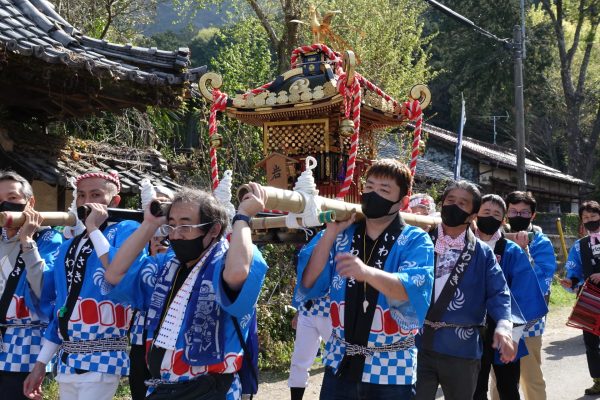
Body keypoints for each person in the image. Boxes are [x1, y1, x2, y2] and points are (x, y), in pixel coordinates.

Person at [101, 184, 268, 399]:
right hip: (162, 387)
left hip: (210, 389)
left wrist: (243, 217)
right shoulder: (165, 267)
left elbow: (237, 274)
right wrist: (150, 225)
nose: (176, 235)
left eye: (185, 226)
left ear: (214, 230)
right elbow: (114, 274)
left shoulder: (226, 261)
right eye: (171, 226)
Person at [296, 158, 434, 399]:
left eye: (384, 190)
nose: (373, 194)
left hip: (391, 367)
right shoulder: (342, 233)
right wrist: (329, 235)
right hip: (340, 360)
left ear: (401, 202)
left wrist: (366, 273)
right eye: (369, 187)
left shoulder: (415, 240)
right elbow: (308, 281)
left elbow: (411, 289)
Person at [23, 170, 142, 400]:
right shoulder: (70, 245)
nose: (87, 202)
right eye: (81, 195)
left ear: (114, 200)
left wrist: (94, 229)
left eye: (96, 195)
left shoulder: (126, 229)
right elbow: (62, 304)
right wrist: (41, 363)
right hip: (67, 357)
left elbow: (119, 272)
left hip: (103, 353)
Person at [414, 181, 516, 400]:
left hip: (461, 347)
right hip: (418, 343)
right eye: (450, 201)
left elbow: (499, 292)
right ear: (442, 204)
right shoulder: (420, 241)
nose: (454, 206)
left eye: (463, 203)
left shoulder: (482, 253)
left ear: (472, 214)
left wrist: (503, 327)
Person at [472, 194, 547, 400]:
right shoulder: (465, 246)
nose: (490, 217)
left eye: (497, 214)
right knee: (475, 389)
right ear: (475, 214)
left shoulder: (512, 250)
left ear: (503, 220)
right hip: (470, 328)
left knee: (508, 387)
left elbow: (524, 295)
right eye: (485, 212)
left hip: (503, 327)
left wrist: (513, 337)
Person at [0, 171, 62, 400]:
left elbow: (45, 290)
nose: (4, 205)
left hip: (25, 343)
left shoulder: (48, 238)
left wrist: (27, 241)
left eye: (13, 197)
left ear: (30, 202)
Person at [504, 191, 557, 400]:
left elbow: (541, 279)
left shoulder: (541, 243)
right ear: (506, 213)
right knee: (501, 376)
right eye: (513, 211)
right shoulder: (495, 235)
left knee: (530, 374)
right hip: (499, 316)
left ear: (533, 215)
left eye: (524, 212)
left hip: (529, 318)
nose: (518, 215)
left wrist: (524, 253)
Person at [128, 185, 174, 400]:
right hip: (140, 331)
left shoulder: (183, 243)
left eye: (164, 203)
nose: (159, 208)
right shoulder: (136, 240)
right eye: (154, 204)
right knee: (139, 388)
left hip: (170, 332)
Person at [560, 200, 600, 396]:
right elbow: (574, 270)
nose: (590, 220)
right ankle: (598, 380)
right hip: (588, 300)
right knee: (591, 342)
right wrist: (571, 281)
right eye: (585, 217)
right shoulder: (579, 245)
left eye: (593, 216)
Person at [288, 291, 332, 400]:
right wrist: (298, 310)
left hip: (331, 311)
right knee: (299, 362)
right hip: (306, 310)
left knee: (340, 359)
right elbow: (303, 281)